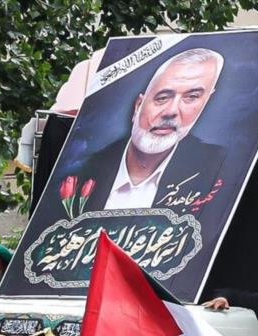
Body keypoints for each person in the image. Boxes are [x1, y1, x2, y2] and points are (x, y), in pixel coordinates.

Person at [73, 48, 227, 213]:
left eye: (191, 97)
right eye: (162, 98)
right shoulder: (81, 172)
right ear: (138, 105)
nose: (171, 111)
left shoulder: (219, 169)